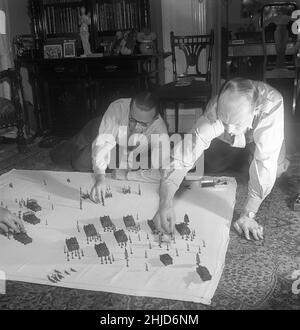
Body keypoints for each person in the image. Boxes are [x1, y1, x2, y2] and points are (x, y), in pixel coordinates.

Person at [154, 78, 289, 241]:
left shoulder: (272, 107)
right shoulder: (214, 112)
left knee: (275, 170)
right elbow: (182, 157)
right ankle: (238, 157)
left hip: (259, 135)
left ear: (256, 110)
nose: (231, 130)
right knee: (212, 166)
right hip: (225, 133)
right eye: (225, 122)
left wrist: (249, 213)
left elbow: (265, 163)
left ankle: (248, 157)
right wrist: (165, 202)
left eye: (236, 125)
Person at [50, 92, 168, 201]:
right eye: (132, 119)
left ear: (155, 119)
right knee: (76, 163)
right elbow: (103, 142)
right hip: (101, 129)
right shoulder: (118, 107)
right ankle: (65, 144)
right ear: (129, 108)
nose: (136, 127)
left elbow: (165, 173)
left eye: (143, 124)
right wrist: (100, 177)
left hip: (122, 146)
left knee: (114, 162)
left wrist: (128, 175)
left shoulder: (160, 129)